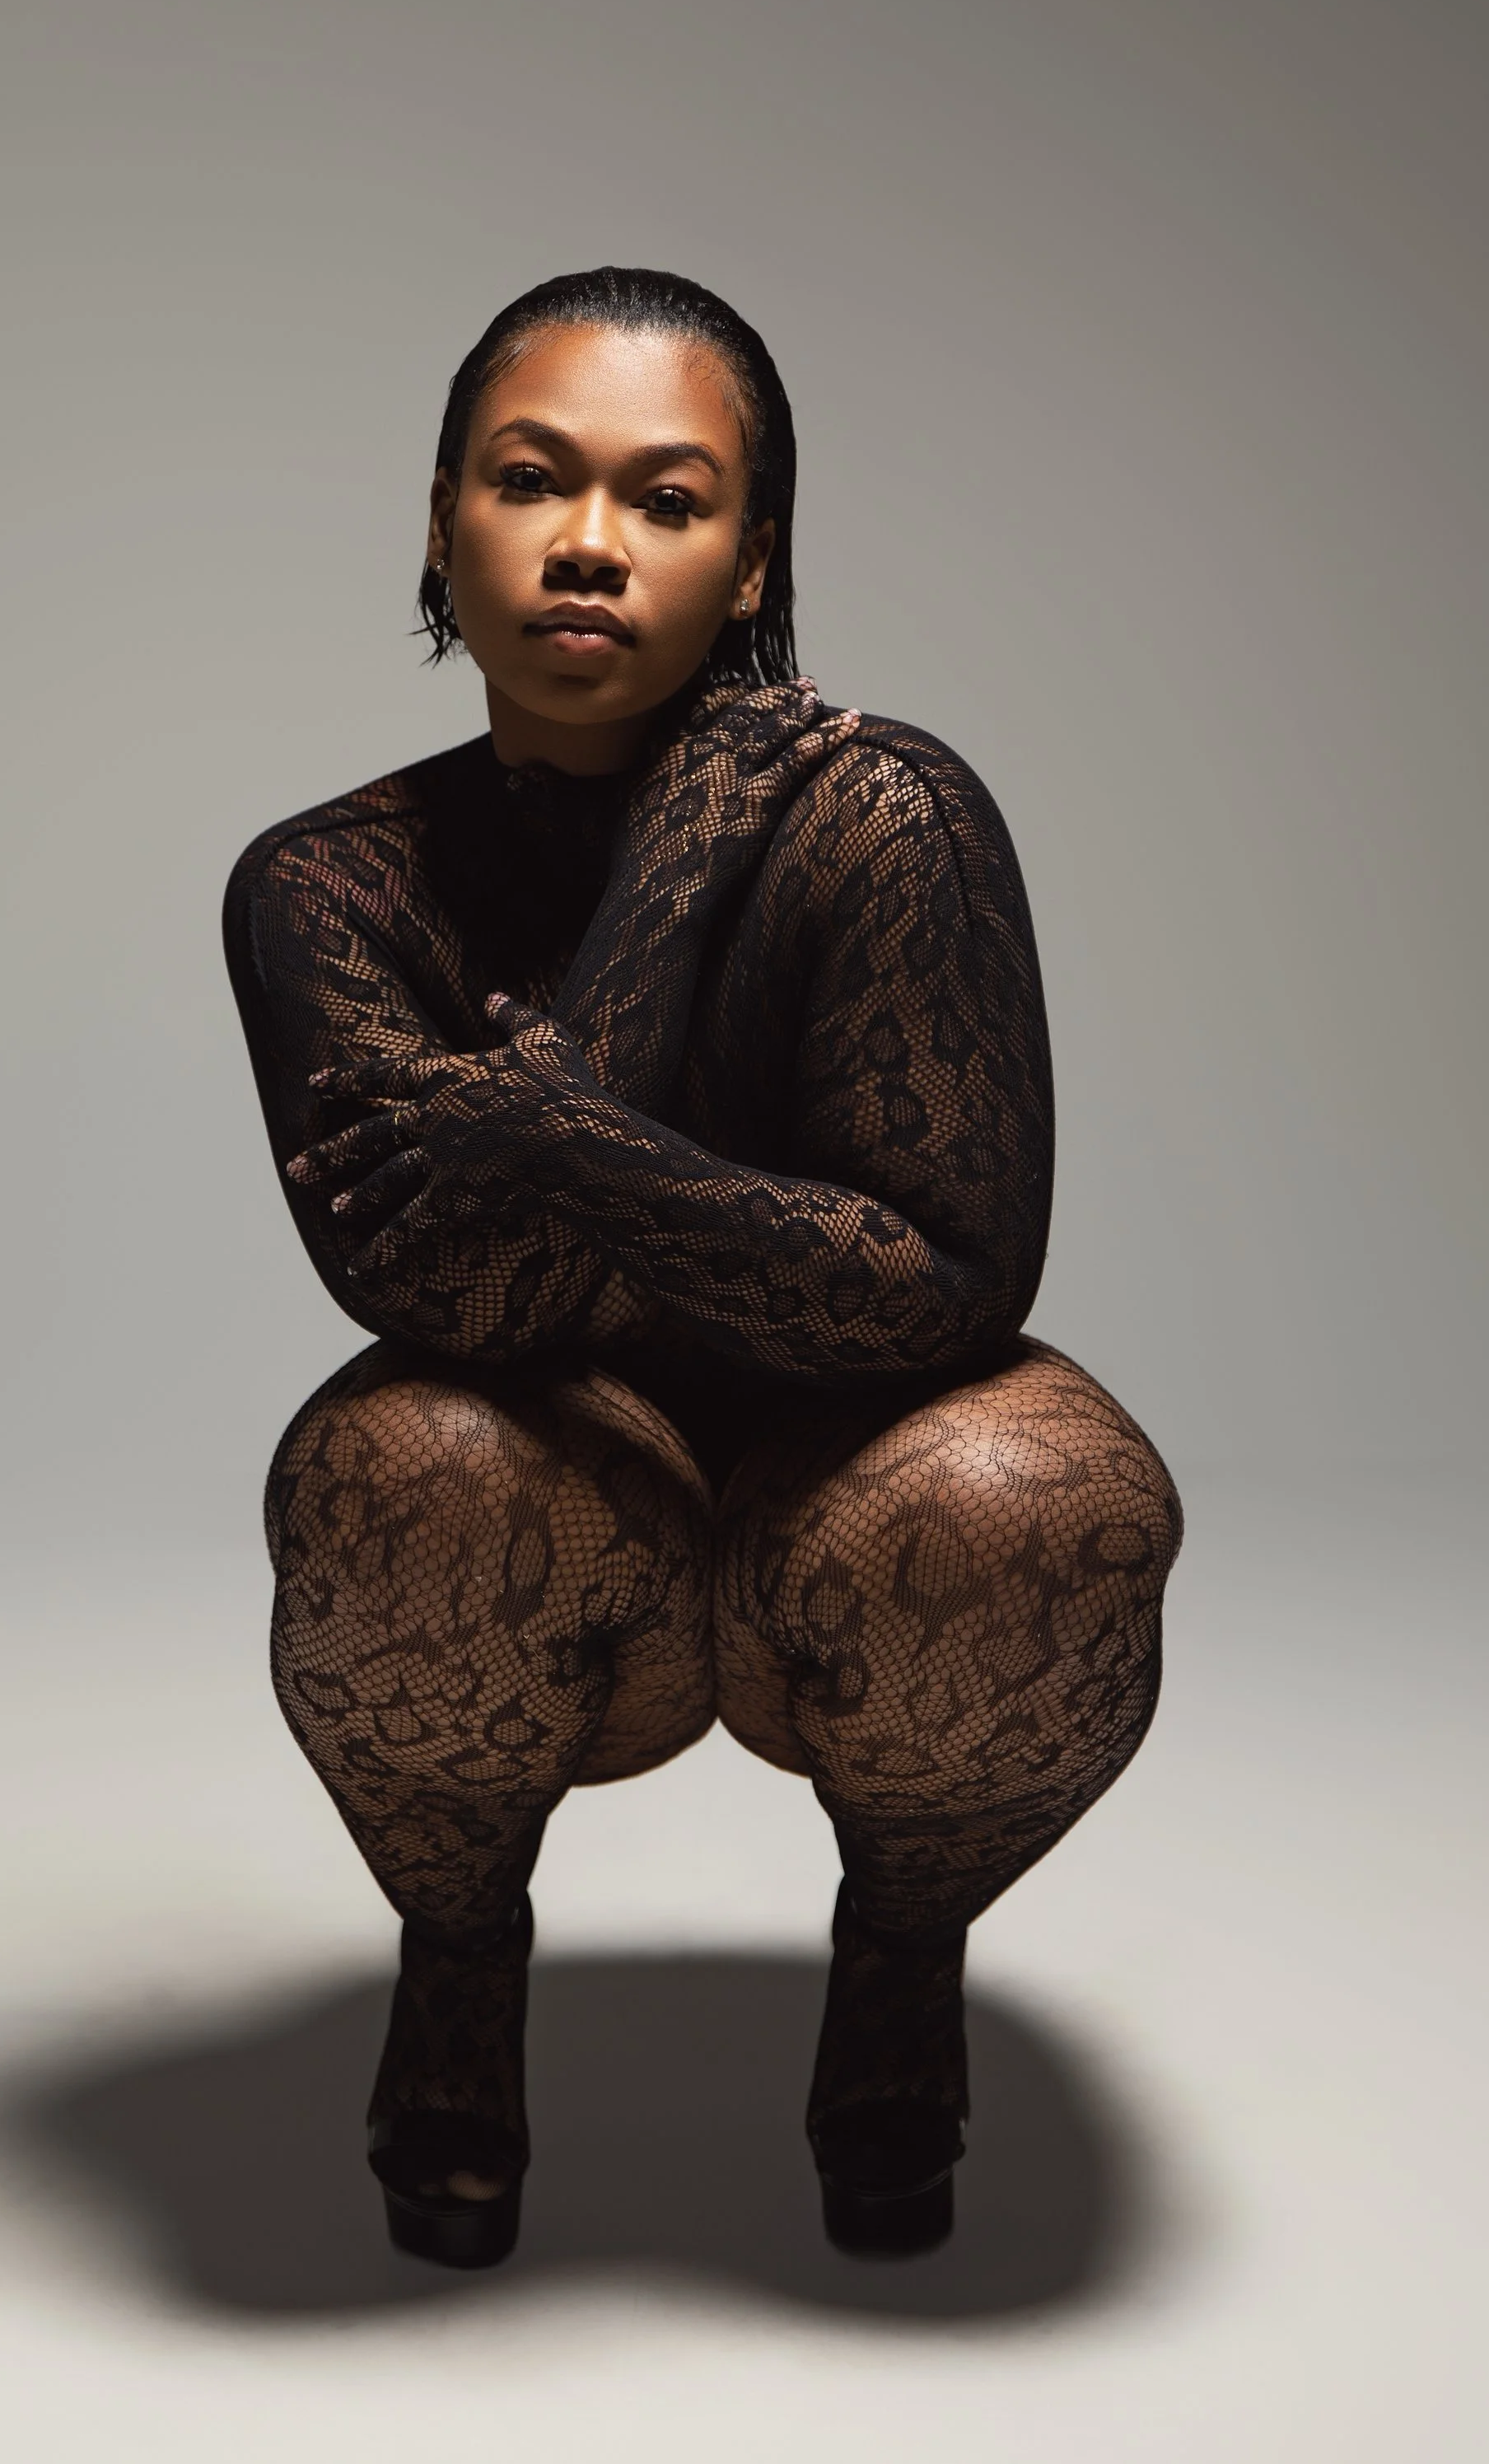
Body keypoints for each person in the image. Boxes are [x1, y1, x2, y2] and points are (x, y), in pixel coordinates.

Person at [223, 266, 1182, 2267]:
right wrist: (671, 863)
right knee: (387, 1471)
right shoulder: (321, 882)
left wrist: (543, 1128)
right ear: (440, 519)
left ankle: (901, 1949)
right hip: (564, 1515)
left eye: (667, 499)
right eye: (530, 478)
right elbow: (459, 1308)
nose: (589, 540)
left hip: (861, 1494)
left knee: (1051, 1499)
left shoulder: (881, 818)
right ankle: (461, 1967)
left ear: (754, 564)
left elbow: (941, 1285)